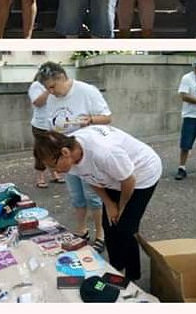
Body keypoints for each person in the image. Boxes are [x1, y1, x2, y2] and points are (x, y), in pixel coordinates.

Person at [34, 125, 162, 282]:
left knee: (125, 227)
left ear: (65, 153)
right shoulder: (70, 156)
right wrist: (109, 204)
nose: (54, 172)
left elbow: (128, 180)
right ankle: (116, 267)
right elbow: (90, 177)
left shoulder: (103, 152)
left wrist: (121, 207)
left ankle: (132, 275)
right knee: (108, 224)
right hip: (114, 176)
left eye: (53, 166)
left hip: (141, 174)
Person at [36, 61, 111, 253]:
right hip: (65, 156)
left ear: (62, 77)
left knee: (93, 196)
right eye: (47, 89)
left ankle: (100, 234)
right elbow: (50, 126)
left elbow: (107, 118)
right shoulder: (52, 99)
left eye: (52, 86)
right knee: (76, 196)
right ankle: (82, 229)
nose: (50, 92)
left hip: (86, 154)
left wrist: (90, 120)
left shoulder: (87, 91)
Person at [28, 76, 64, 188]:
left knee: (55, 150)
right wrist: (49, 90)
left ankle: (54, 173)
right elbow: (37, 102)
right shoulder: (36, 86)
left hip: (55, 124)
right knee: (41, 152)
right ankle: (40, 177)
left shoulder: (58, 84)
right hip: (41, 125)